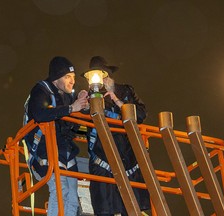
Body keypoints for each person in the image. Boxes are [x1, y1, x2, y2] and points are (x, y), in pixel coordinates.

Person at [85, 56, 151, 216]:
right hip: (102, 164)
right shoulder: (89, 97)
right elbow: (72, 124)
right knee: (104, 210)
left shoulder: (125, 91)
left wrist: (116, 98)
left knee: (131, 209)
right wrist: (81, 105)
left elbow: (140, 115)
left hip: (128, 162)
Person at [24, 56, 88, 216]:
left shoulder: (67, 97)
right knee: (61, 191)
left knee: (73, 198)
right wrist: (71, 108)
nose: (72, 81)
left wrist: (81, 105)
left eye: (73, 77)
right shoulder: (41, 90)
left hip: (65, 152)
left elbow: (72, 126)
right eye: (67, 77)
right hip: (46, 150)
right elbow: (39, 114)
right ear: (56, 78)